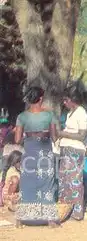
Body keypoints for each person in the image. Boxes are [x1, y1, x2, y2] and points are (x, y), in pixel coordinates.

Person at [14, 86, 59, 227]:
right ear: (41, 99)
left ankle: (20, 220)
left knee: (26, 183)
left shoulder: (21, 116)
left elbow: (16, 140)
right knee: (47, 183)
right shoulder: (49, 115)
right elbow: (54, 137)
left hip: (29, 151)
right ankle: (50, 220)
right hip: (45, 152)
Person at [58, 86, 87, 221]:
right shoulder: (71, 112)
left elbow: (82, 135)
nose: (64, 103)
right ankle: (66, 210)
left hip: (75, 150)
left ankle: (76, 212)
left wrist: (62, 133)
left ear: (73, 99)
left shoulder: (81, 113)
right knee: (65, 180)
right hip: (67, 148)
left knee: (74, 181)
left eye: (66, 100)